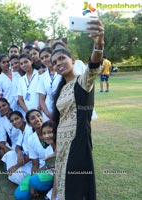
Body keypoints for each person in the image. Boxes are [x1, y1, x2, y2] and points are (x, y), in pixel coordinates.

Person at [51, 18, 104, 199]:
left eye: (62, 58)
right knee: (64, 185)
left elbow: (93, 67)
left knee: (76, 188)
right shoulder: (60, 89)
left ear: (72, 59)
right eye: (54, 62)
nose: (58, 63)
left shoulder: (82, 81)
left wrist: (98, 44)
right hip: (62, 144)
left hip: (77, 144)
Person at [14, 120, 56, 200]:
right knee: (20, 195)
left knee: (35, 180)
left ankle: (49, 190)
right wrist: (32, 180)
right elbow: (45, 166)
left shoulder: (64, 147)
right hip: (49, 172)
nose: (47, 136)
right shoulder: (47, 149)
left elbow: (58, 174)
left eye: (50, 132)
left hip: (61, 177)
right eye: (44, 133)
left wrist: (53, 196)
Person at [1, 111, 33, 185]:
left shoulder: (29, 131)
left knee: (12, 174)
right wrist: (19, 153)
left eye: (17, 119)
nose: (14, 122)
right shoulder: (21, 130)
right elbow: (17, 146)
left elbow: (32, 154)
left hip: (33, 161)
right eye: (12, 121)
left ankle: (26, 181)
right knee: (9, 154)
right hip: (25, 156)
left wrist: (16, 166)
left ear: (22, 118)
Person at [37, 47, 61, 122]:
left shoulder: (62, 72)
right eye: (42, 58)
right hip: (48, 112)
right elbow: (41, 99)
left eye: (47, 56)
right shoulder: (42, 77)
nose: (45, 59)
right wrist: (48, 114)